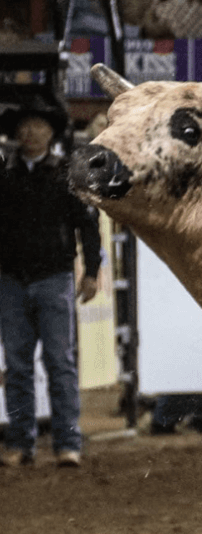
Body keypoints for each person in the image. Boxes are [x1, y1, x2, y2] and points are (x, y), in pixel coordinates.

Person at [0, 104, 103, 468]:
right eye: (25, 126)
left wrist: (92, 270)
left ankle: (63, 442)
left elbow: (88, 225)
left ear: (49, 132)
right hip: (14, 279)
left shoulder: (65, 173)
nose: (30, 132)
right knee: (22, 365)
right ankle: (26, 442)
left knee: (56, 363)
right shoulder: (6, 175)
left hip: (51, 278)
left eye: (37, 125)